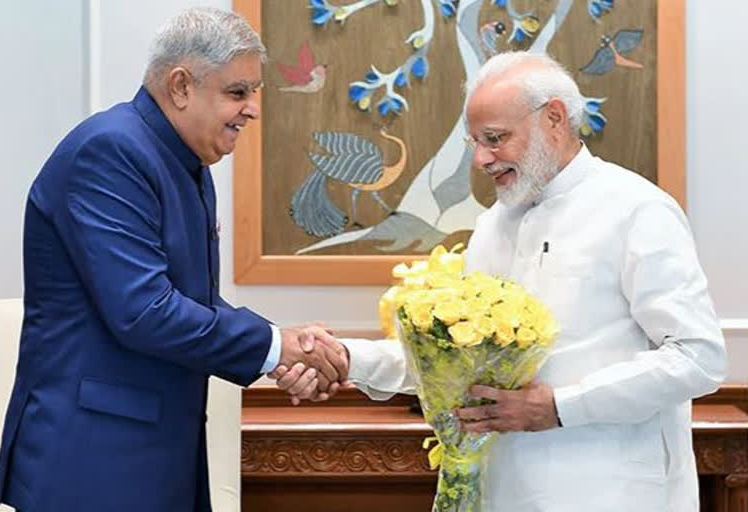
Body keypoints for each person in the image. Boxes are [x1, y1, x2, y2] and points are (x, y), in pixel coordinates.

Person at [273, 52, 727, 511]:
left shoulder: (637, 209)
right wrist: (346, 358)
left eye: (495, 139)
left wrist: (559, 407)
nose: (480, 159)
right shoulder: (494, 224)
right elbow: (452, 361)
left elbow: (698, 357)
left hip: (612, 491)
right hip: (505, 491)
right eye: (475, 141)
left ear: (554, 118)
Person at [0, 8, 347, 512]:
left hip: (151, 454)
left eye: (254, 92)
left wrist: (281, 346)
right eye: (237, 92)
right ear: (181, 86)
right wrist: (278, 347)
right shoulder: (110, 151)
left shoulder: (183, 162)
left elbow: (193, 302)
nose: (252, 110)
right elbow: (145, 312)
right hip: (92, 464)